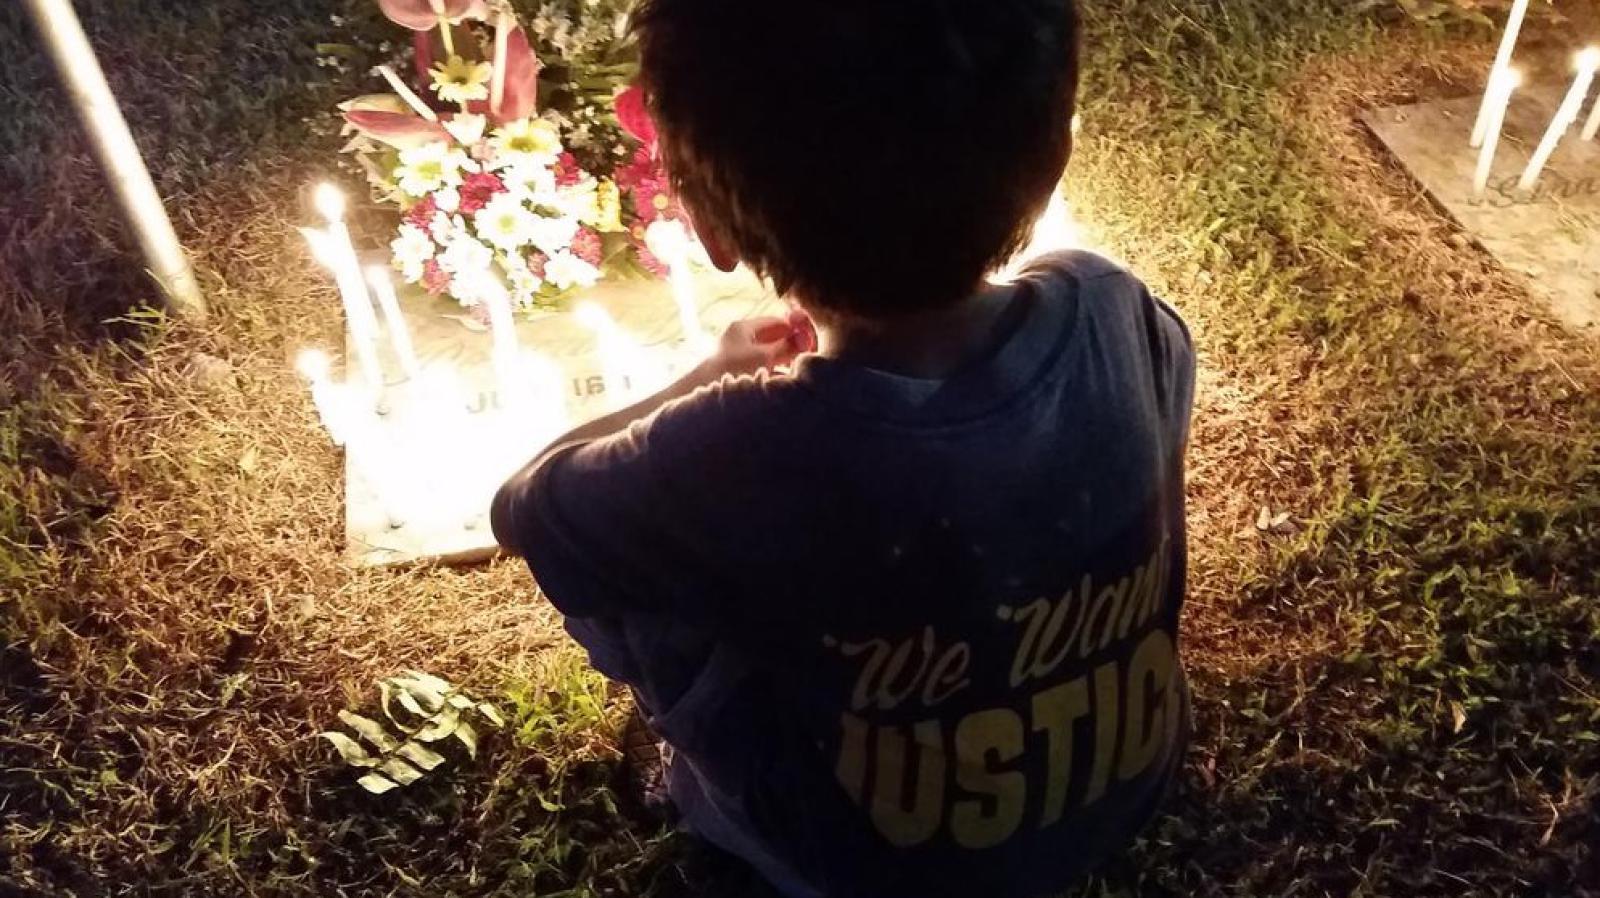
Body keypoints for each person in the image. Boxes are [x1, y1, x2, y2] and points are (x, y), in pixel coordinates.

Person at [491, 0, 1195, 895]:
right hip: (1118, 789)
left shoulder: (723, 450)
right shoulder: (1113, 304)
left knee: (631, 563)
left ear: (707, 225)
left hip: (852, 862)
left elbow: (526, 510)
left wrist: (693, 387)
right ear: (1055, 154)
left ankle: (701, 782)